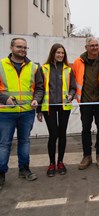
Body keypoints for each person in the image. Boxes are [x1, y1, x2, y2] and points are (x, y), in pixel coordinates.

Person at [0, 37, 44, 190]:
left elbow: (39, 88)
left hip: (27, 112)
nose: (22, 50)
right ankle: (1, 174)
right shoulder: (1, 65)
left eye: (25, 48)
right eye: (19, 47)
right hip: (5, 113)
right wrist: (5, 99)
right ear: (11, 47)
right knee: (4, 144)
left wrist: (36, 100)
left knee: (24, 142)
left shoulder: (34, 67)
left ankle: (24, 170)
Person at [37, 43, 76, 177]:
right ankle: (52, 163)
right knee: (53, 135)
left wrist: (71, 95)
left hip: (64, 106)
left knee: (62, 134)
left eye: (62, 53)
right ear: (52, 53)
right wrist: (39, 110)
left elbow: (73, 87)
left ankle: (60, 162)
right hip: (49, 107)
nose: (60, 55)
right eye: (58, 52)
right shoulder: (43, 69)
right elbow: (40, 89)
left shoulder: (68, 69)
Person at [72, 37, 99, 170]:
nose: (94, 48)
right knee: (85, 129)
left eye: (96, 45)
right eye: (91, 45)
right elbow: (73, 80)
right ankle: (87, 155)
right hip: (85, 103)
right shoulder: (78, 62)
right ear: (86, 47)